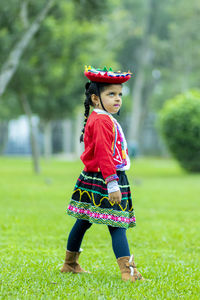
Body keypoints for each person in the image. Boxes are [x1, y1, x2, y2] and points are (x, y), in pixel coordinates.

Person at [60, 66, 144, 282]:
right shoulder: (100, 121)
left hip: (96, 178)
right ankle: (128, 272)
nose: (117, 99)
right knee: (117, 224)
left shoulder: (103, 118)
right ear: (96, 98)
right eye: (111, 94)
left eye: (120, 95)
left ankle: (70, 264)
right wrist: (112, 183)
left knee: (83, 220)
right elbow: (104, 154)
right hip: (105, 178)